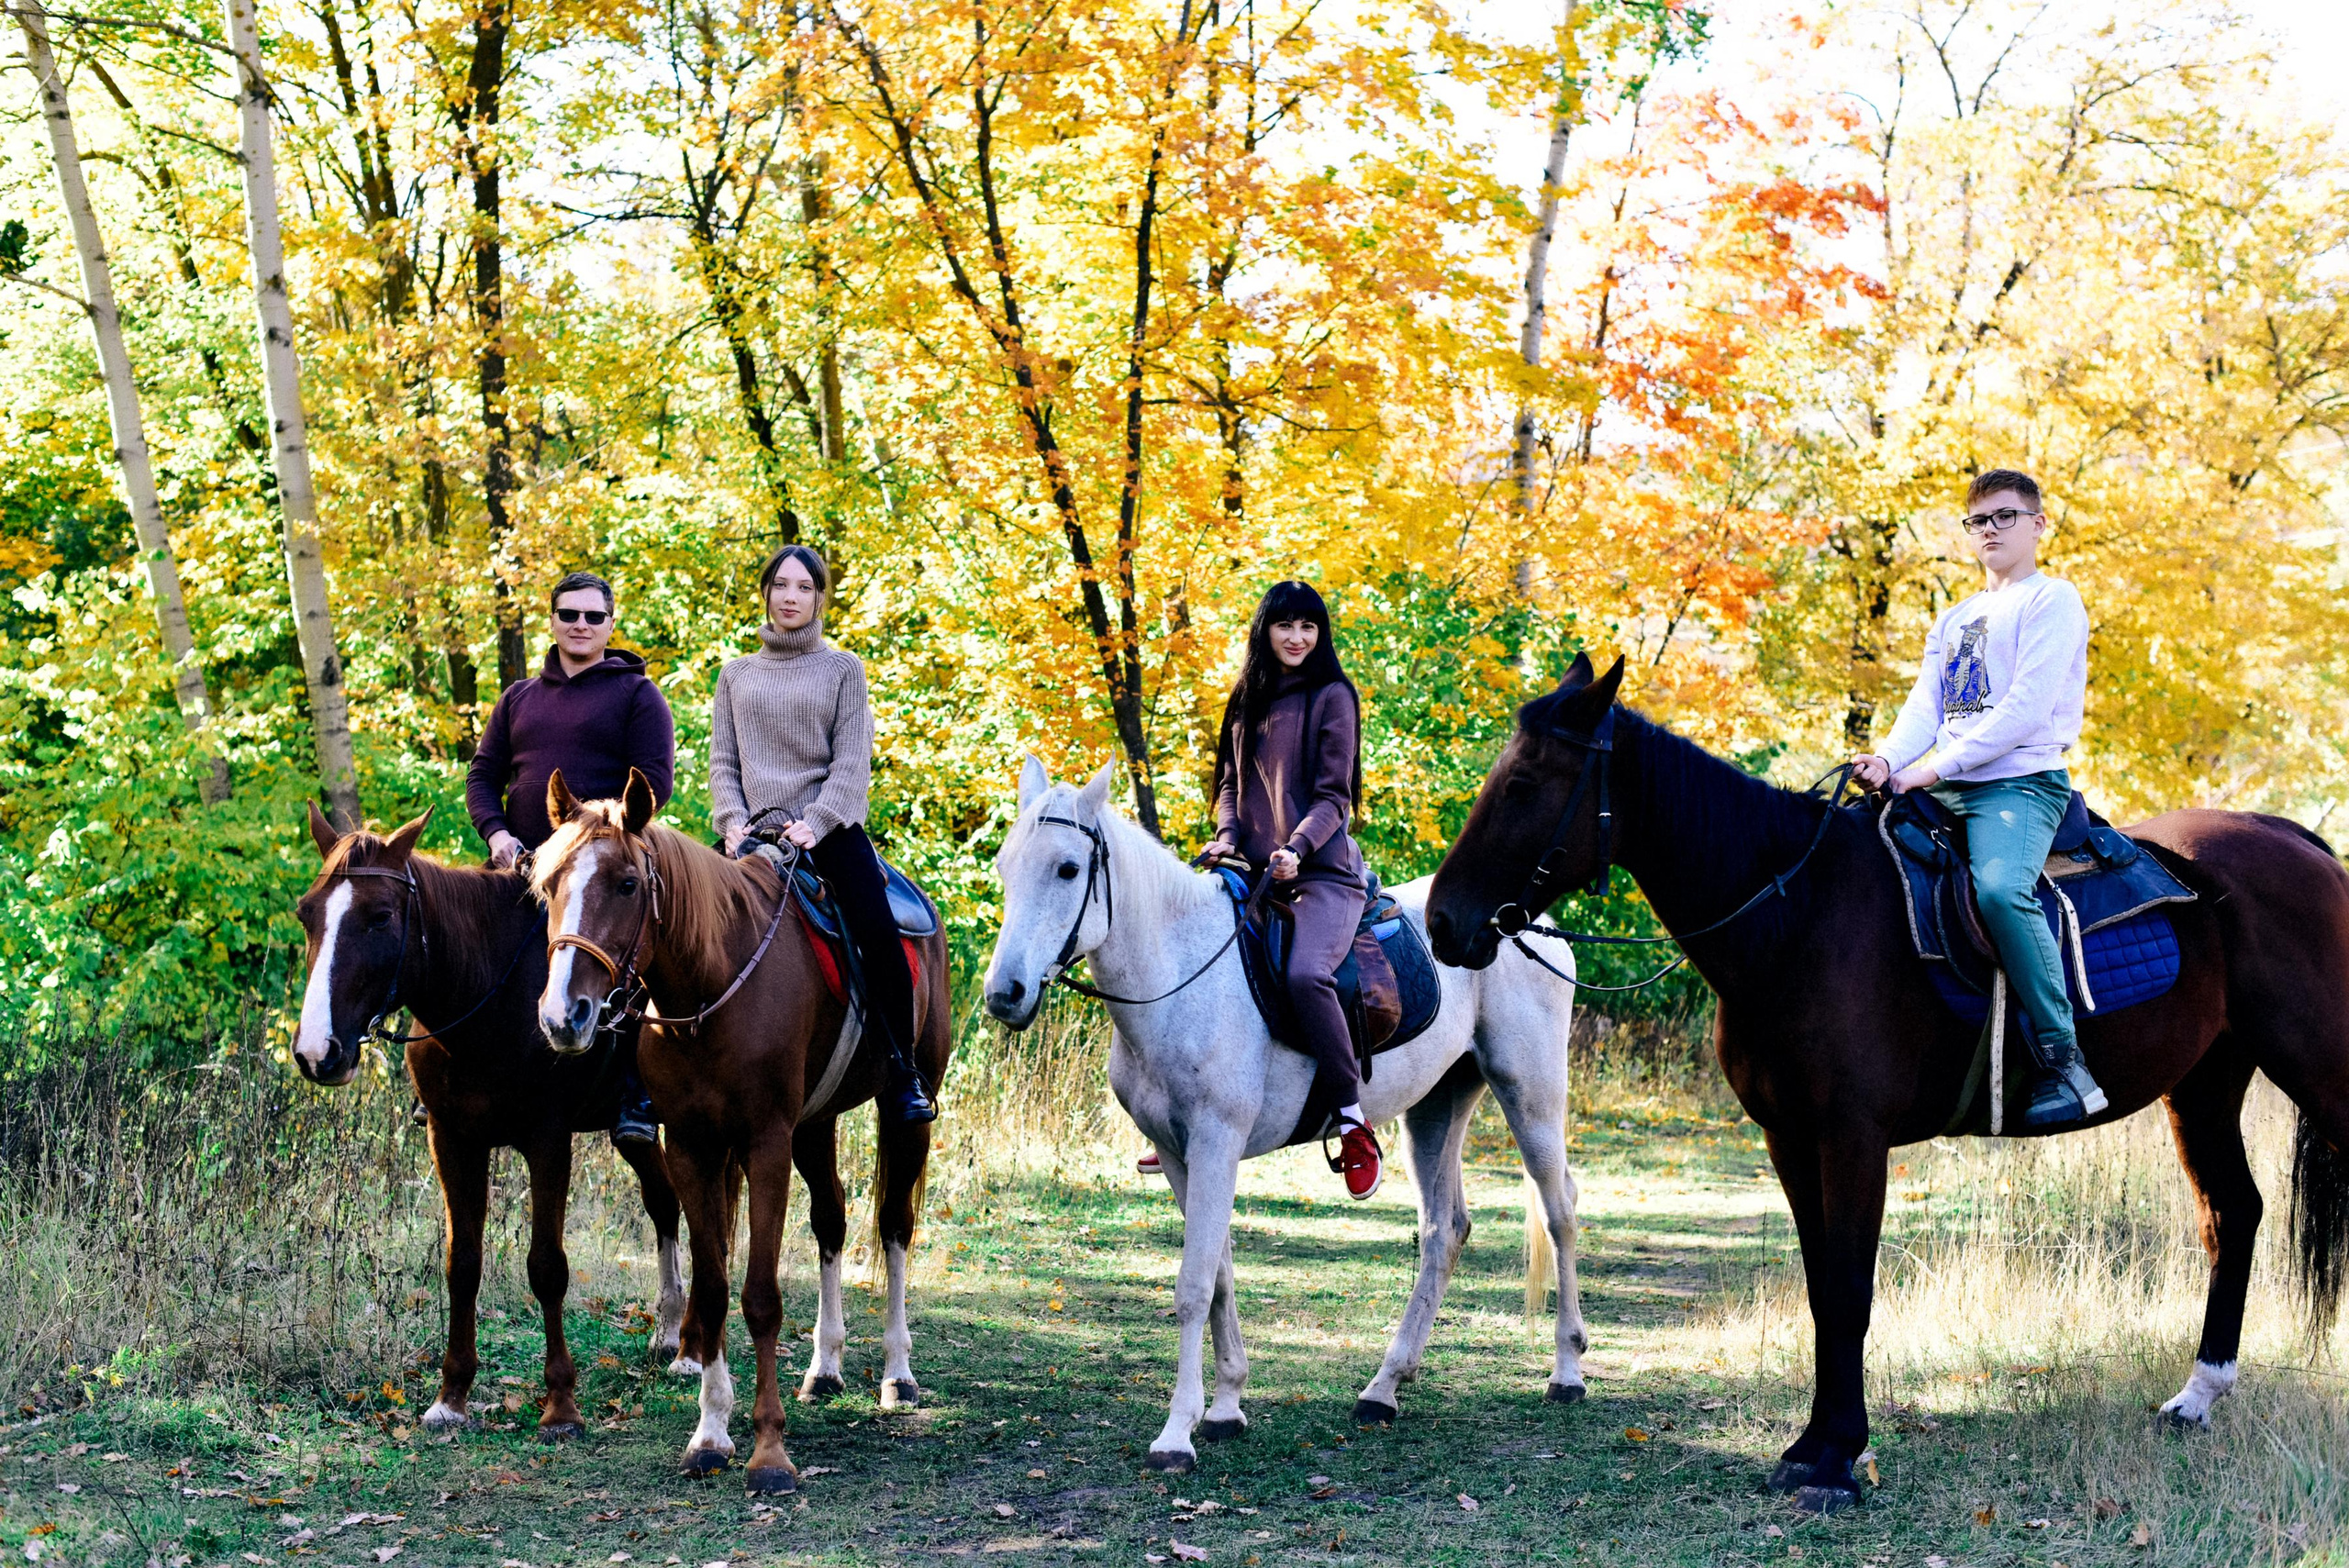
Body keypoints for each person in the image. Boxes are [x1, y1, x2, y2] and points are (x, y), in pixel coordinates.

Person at [1852, 469, 2106, 1129]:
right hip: (1946, 780)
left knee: (1999, 891)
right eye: (1978, 521)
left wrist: (1927, 772)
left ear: (2037, 524)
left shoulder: (2053, 601)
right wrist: (1888, 758)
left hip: (2020, 785)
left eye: (2004, 516)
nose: (1989, 529)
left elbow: (2023, 713)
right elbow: (1926, 707)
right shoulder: (1958, 617)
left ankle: (2064, 1060)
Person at [709, 544, 934, 1125]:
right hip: (748, 836)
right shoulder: (735, 675)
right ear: (765, 594)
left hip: (825, 829)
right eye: (781, 585)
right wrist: (732, 825)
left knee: (876, 928)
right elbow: (724, 766)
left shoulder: (843, 669)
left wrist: (817, 823)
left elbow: (852, 762)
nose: (790, 597)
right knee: (669, 915)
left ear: (819, 597)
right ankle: (645, 1080)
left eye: (804, 587)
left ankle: (901, 1066)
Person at [466, 570, 676, 1145]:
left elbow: (655, 779)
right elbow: (483, 775)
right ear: (552, 620)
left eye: (593, 616)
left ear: (611, 624)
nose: (580, 625)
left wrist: (589, 833)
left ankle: (638, 1093)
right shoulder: (519, 698)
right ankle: (447, 1081)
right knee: (455, 945)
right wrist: (497, 835)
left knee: (639, 955)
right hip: (520, 863)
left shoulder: (638, 695)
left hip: (603, 863)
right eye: (569, 615)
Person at [1201, 580, 1381, 1198]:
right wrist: (1226, 837)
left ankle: (1354, 1121)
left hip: (1323, 873)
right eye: (1286, 626)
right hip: (1250, 871)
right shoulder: (1246, 699)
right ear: (1266, 630)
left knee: (1307, 974)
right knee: (1195, 955)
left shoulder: (1335, 696)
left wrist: (1297, 849)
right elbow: (1228, 782)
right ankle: (1186, 1111)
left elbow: (1336, 796)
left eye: (1310, 626)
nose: (1298, 637)